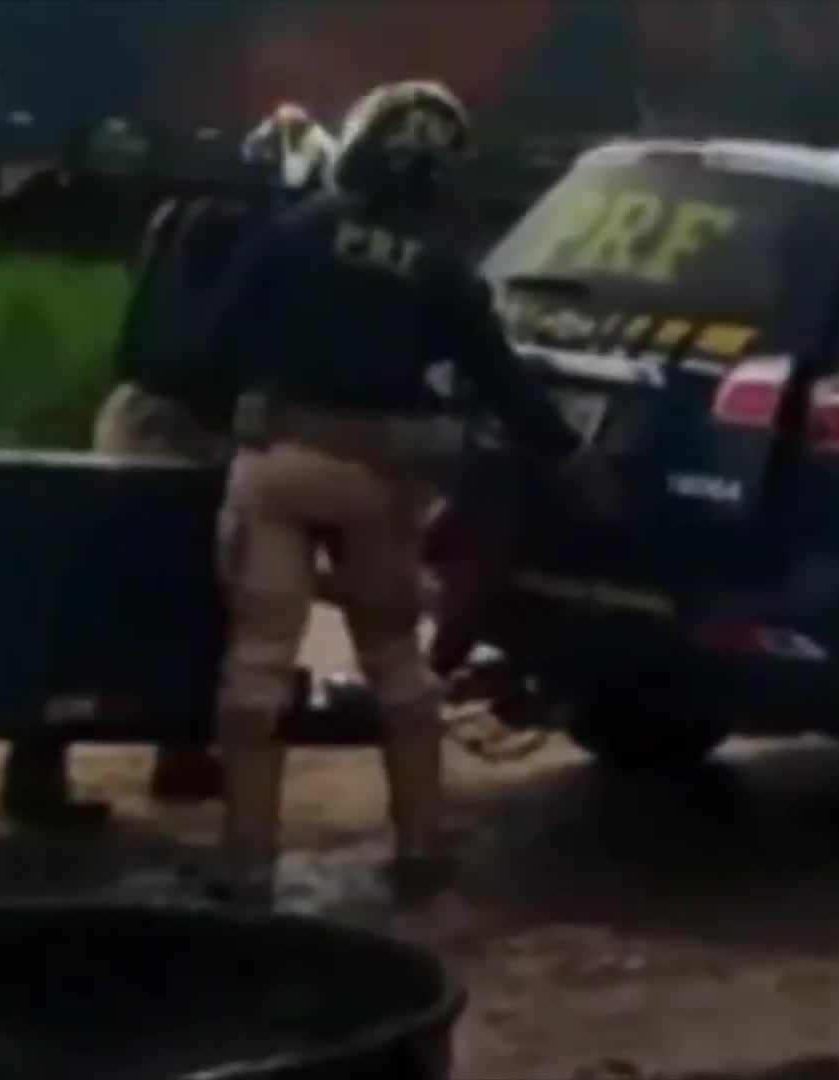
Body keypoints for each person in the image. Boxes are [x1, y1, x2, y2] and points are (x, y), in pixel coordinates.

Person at [197, 79, 604, 906]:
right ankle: (421, 849)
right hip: (378, 482)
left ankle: (246, 864)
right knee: (395, 664)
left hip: (279, 464)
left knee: (257, 667)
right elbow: (503, 384)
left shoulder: (293, 233)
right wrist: (570, 460)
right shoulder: (444, 269)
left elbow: (212, 342)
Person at [0, 105, 336, 825]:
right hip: (190, 431)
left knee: (126, 589)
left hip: (134, 411)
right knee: (196, 597)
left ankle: (132, 758)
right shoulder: (268, 242)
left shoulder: (179, 218)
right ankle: (123, 761)